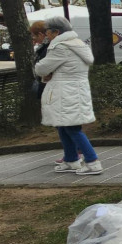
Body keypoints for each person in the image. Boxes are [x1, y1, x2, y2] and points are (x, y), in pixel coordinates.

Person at [35, 16, 103, 175]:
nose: (47, 35)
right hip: (74, 91)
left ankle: (92, 162)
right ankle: (71, 159)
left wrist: (43, 71)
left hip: (65, 93)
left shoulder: (61, 47)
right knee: (64, 126)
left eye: (48, 32)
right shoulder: (78, 44)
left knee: (72, 128)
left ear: (56, 32)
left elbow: (41, 68)